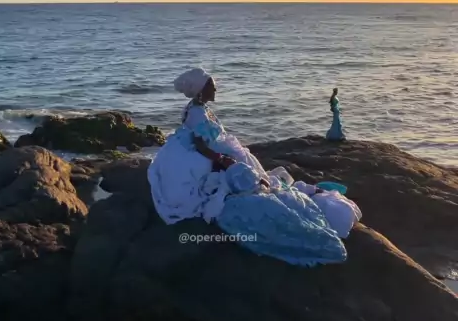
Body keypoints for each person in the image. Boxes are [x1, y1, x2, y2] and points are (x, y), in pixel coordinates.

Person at [148, 68, 361, 266]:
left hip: (215, 147)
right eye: (211, 85)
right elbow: (201, 145)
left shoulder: (199, 107)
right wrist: (222, 159)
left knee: (253, 170)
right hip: (208, 153)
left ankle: (260, 182)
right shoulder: (197, 113)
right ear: (201, 90)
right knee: (249, 175)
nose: (215, 89)